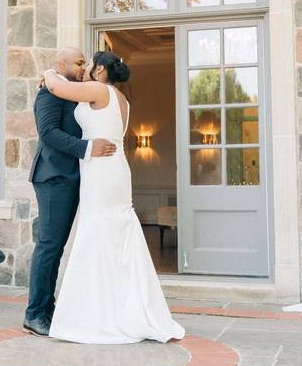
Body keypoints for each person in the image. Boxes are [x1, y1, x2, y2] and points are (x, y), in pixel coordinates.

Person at [41, 51, 185, 344]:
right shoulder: (123, 99)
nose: (86, 69)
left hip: (101, 169)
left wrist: (48, 73)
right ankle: (120, 306)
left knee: (98, 231)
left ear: (101, 69)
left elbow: (57, 88)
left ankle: (98, 313)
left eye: (89, 65)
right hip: (115, 168)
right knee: (115, 233)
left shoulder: (98, 89)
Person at [23, 47, 117, 337]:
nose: (81, 67)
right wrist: (88, 148)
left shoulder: (73, 90)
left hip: (74, 177)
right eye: (77, 63)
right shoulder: (49, 92)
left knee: (57, 247)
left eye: (84, 63)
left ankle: (49, 308)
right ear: (60, 64)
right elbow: (48, 132)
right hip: (53, 176)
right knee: (49, 245)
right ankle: (35, 314)